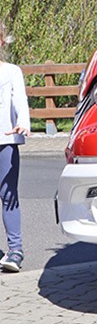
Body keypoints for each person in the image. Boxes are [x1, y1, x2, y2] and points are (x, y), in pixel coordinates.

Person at [0, 22, 30, 273]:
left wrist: (22, 123)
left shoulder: (11, 71)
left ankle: (15, 250)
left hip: (6, 141)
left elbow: (20, 100)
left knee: (8, 195)